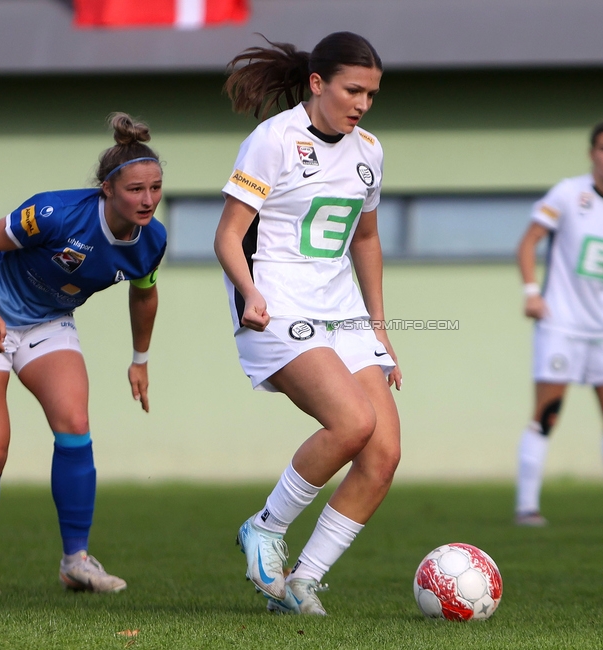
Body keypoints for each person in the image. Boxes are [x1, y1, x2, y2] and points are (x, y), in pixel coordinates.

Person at [215, 32, 401, 616]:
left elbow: (365, 240)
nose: (362, 104)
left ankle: (300, 583)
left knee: (384, 453)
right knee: (351, 423)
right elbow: (226, 235)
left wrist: (377, 324)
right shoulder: (273, 140)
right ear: (317, 83)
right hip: (275, 302)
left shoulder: (369, 150)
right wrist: (248, 292)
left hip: (340, 309)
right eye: (352, 90)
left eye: (371, 93)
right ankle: (265, 528)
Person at [0, 113, 167, 593]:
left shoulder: (152, 241)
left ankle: (75, 561)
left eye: (155, 188)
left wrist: (140, 360)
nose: (147, 200)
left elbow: (144, 295)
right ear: (107, 189)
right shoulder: (54, 214)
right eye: (135, 190)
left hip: (48, 320)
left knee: (74, 425)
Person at [514, 120, 603, 526]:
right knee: (547, 415)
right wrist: (531, 293)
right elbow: (527, 244)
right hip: (561, 325)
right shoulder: (567, 193)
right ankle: (527, 508)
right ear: (592, 152)